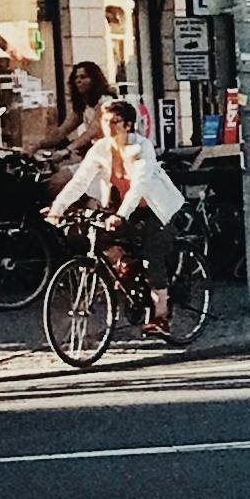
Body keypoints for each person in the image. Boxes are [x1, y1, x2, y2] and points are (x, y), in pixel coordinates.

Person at [47, 94, 187, 333]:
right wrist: (57, 209)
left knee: (153, 253)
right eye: (105, 121)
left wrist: (121, 215)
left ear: (128, 125)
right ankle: (123, 265)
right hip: (123, 207)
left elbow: (140, 184)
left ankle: (161, 316)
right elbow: (79, 181)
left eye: (115, 121)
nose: (108, 126)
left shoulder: (142, 147)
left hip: (154, 208)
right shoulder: (100, 149)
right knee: (91, 234)